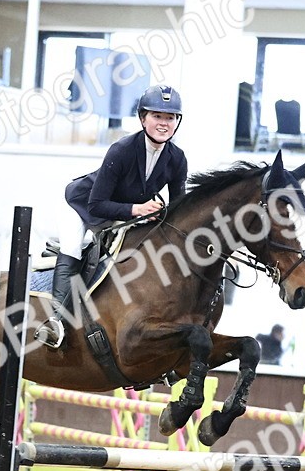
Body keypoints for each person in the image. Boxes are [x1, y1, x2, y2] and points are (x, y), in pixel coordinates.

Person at [35, 84, 190, 348]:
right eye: (157, 116)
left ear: (177, 122)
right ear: (143, 118)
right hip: (82, 206)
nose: (164, 123)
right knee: (73, 248)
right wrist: (137, 210)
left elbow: (179, 209)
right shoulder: (122, 150)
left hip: (121, 213)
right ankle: (56, 322)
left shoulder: (177, 159)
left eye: (170, 117)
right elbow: (96, 205)